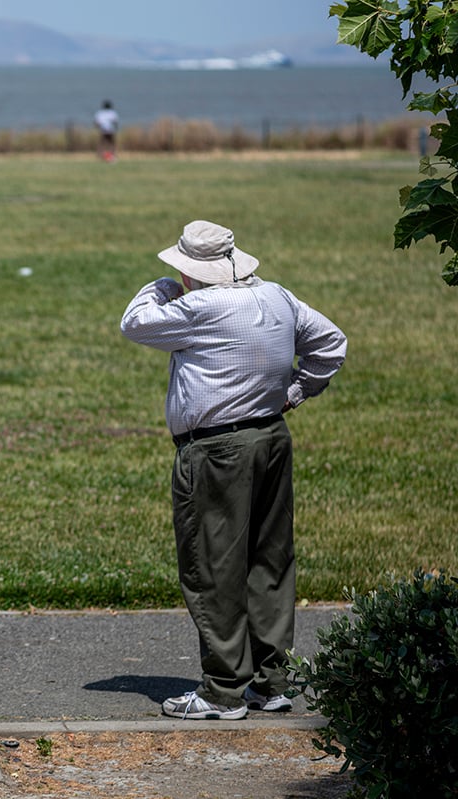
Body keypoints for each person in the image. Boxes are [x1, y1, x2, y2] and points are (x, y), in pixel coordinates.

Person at [120, 220, 347, 720]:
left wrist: (162, 284)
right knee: (269, 560)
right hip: (271, 437)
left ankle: (223, 691)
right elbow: (330, 344)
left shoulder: (197, 307)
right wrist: (296, 391)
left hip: (215, 450)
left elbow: (134, 321)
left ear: (190, 271)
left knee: (214, 564)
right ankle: (272, 682)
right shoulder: (278, 297)